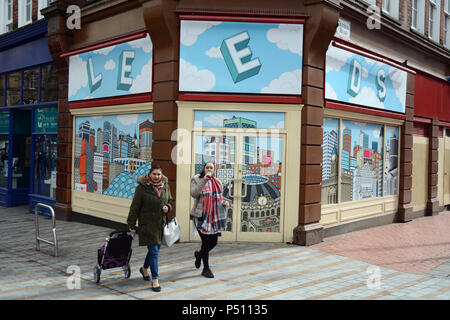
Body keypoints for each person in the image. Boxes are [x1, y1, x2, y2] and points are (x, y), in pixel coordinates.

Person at [127, 164, 173, 292]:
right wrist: (131, 224)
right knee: (154, 251)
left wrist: (168, 207)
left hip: (160, 225)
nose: (157, 177)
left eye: (159, 174)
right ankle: (155, 280)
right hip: (147, 225)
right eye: (154, 174)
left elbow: (170, 200)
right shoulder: (142, 188)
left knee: (154, 251)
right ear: (149, 174)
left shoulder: (166, 186)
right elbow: (134, 207)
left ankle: (144, 269)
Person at [190, 162, 229, 278]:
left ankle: (199, 255)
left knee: (214, 242)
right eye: (207, 167)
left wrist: (225, 203)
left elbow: (219, 198)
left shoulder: (217, 182)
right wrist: (204, 180)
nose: (209, 169)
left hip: (214, 217)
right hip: (202, 216)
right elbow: (194, 194)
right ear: (204, 168)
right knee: (206, 242)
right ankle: (206, 268)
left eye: (211, 167)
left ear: (214, 169)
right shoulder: (197, 179)